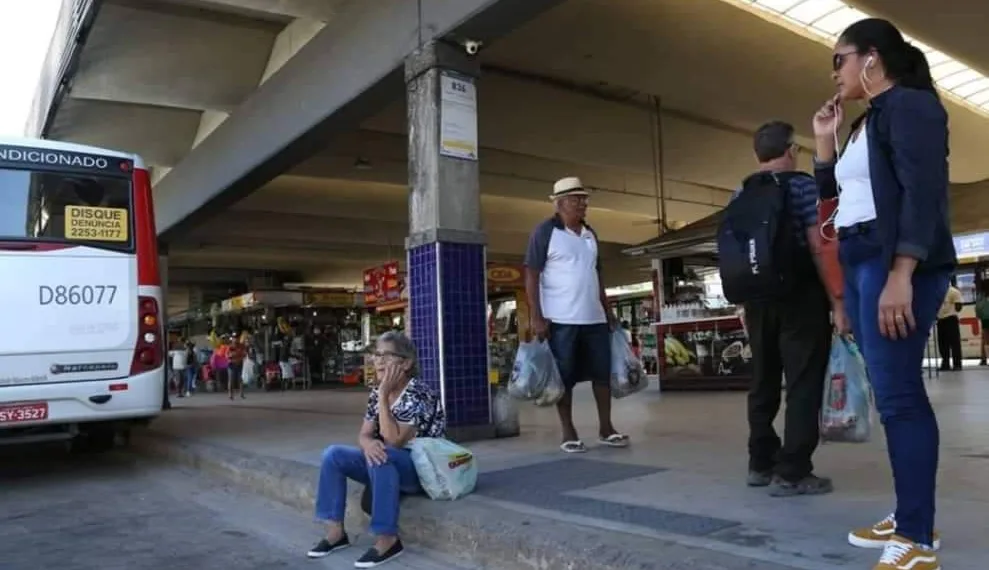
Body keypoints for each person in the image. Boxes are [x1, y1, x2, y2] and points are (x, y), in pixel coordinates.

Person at [813, 17, 955, 570]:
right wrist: (825, 142)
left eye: (840, 59)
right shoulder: (868, 123)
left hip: (893, 261)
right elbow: (834, 200)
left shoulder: (913, 106)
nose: (835, 71)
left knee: (899, 397)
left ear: (871, 57)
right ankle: (909, 513)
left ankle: (918, 537)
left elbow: (925, 195)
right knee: (892, 394)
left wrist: (901, 272)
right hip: (863, 258)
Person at [729, 121, 834, 497]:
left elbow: (739, 253)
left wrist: (744, 303)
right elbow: (819, 245)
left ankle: (760, 463)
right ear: (790, 150)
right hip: (799, 297)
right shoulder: (803, 185)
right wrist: (836, 299)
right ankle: (792, 471)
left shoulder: (740, 192)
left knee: (763, 381)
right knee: (803, 382)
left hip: (757, 301)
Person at [307, 331, 445, 567]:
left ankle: (387, 539)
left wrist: (383, 396)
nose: (377, 361)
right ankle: (335, 533)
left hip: (421, 470)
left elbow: (394, 442)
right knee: (333, 455)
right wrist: (368, 442)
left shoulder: (419, 393)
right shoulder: (377, 393)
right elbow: (364, 434)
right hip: (387, 461)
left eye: (385, 355)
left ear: (406, 363)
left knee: (385, 454)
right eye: (376, 355)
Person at [523, 176, 627, 454]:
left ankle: (607, 428)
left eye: (584, 199)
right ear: (559, 204)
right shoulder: (545, 232)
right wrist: (537, 316)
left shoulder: (590, 233)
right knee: (564, 377)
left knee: (602, 374)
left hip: (594, 318)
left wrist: (607, 309)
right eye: (575, 199)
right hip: (561, 320)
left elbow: (597, 274)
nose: (582, 204)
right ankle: (568, 431)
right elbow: (532, 275)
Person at [935, 278, 963, 371]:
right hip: (940, 320)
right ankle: (945, 364)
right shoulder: (937, 291)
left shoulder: (953, 291)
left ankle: (957, 364)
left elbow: (959, 306)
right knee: (942, 343)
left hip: (951, 319)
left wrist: (948, 309)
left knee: (954, 343)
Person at [227, 334, 246, 400]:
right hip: (231, 365)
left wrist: (241, 355)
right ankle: (230, 394)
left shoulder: (241, 346)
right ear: (232, 339)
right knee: (231, 379)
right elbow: (227, 355)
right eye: (234, 338)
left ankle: (242, 393)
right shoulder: (230, 346)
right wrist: (232, 355)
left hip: (239, 364)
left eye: (236, 338)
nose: (235, 339)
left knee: (241, 379)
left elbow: (244, 354)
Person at [976, 285, 989, 366]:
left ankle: (983, 358)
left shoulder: (980, 296)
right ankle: (983, 358)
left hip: (985, 319)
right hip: (986, 318)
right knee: (985, 339)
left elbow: (977, 308)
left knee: (985, 339)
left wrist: (979, 316)